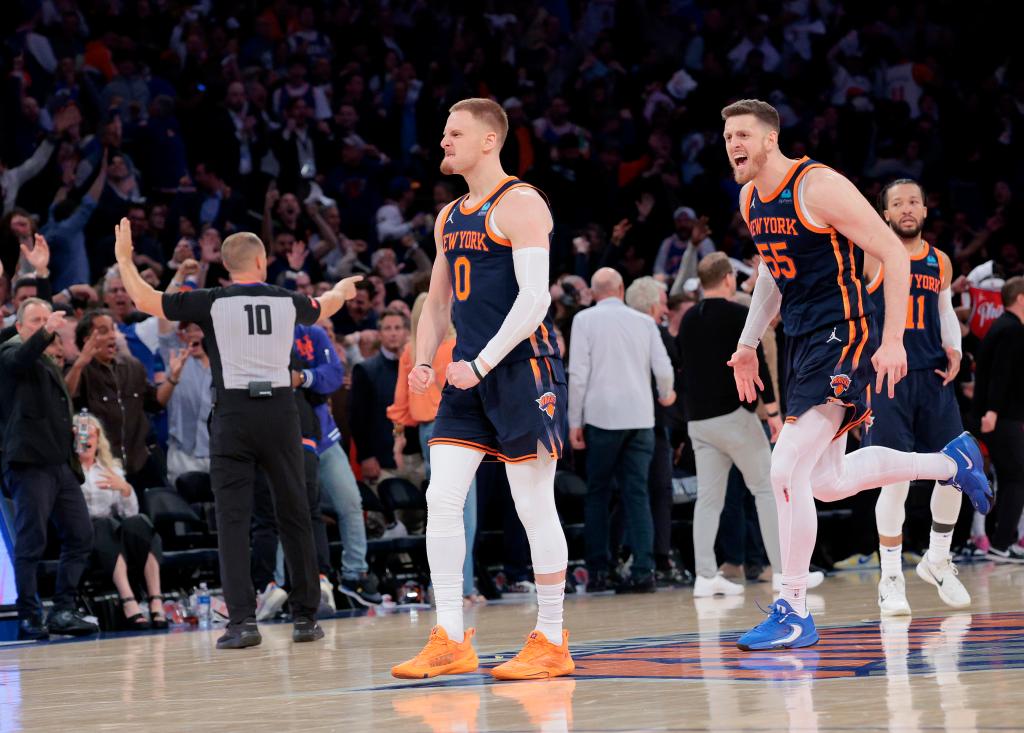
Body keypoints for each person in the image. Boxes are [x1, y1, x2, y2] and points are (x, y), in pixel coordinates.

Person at [722, 99, 991, 651]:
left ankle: (793, 607)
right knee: (825, 482)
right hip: (801, 340)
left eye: (742, 135)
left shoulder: (816, 185)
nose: (733, 146)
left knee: (784, 466)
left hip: (846, 332)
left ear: (770, 139)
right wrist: (749, 343)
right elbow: (773, 271)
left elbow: (892, 252)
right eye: (727, 138)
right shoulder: (751, 198)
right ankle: (951, 461)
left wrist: (892, 339)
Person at [109, 217, 361, 649]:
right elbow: (328, 304)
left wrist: (124, 259)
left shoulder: (210, 301)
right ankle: (306, 618)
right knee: (295, 513)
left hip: (234, 416)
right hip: (281, 414)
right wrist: (344, 289)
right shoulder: (287, 300)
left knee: (233, 520)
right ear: (262, 262)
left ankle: (242, 623)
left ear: (226, 267)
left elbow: (146, 300)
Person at [391, 98, 573, 681]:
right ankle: (449, 635)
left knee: (531, 504)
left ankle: (550, 638)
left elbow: (535, 299)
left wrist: (485, 360)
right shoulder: (449, 216)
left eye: (455, 133)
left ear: (489, 141)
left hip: (522, 370)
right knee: (440, 500)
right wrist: (424, 360)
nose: (443, 142)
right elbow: (437, 301)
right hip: (468, 375)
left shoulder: (519, 202)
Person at [862, 179, 971, 615]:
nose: (906, 209)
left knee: (957, 471)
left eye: (913, 202)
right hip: (887, 378)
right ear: (885, 214)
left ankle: (938, 558)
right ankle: (891, 576)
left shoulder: (939, 261)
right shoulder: (871, 256)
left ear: (925, 210)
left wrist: (957, 349)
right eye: (897, 204)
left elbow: (945, 312)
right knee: (895, 478)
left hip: (932, 377)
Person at [677, 253, 814, 597]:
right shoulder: (740, 315)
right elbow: (757, 365)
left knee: (708, 500)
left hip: (699, 422)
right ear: (727, 279)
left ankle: (706, 577)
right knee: (767, 491)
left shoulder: (688, 319)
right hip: (735, 418)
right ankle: (786, 572)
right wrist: (771, 412)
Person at [569, 268, 676, 593]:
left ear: (594, 290)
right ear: (621, 288)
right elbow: (663, 368)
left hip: (601, 417)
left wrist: (575, 421)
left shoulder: (583, 321)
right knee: (637, 493)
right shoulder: (644, 322)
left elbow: (578, 374)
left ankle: (599, 570)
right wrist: (665, 393)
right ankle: (643, 571)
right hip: (641, 417)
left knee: (598, 494)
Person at [0, 298, 97, 640]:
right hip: (29, 464)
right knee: (31, 540)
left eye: (47, 318)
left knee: (81, 535)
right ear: (19, 326)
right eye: (36, 320)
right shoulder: (10, 353)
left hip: (60, 464)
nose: (45, 325)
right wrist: (44, 331)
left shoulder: (45, 361)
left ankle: (63, 610)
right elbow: (20, 359)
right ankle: (29, 616)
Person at [388, 293, 483, 604]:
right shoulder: (459, 346)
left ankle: (445, 587)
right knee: (464, 513)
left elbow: (400, 404)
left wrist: (398, 438)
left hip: (430, 433)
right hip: (462, 427)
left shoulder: (411, 352)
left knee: (443, 512)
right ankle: (463, 589)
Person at [75, 412, 167, 630]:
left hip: (113, 532)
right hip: (84, 533)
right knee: (103, 525)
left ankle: (156, 599)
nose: (86, 439)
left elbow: (130, 513)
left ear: (98, 439)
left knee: (141, 522)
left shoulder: (111, 469)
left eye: (91, 434)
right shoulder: (67, 471)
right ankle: (129, 600)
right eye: (81, 434)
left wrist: (125, 489)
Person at [974, 276, 1024, 562]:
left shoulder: (1003, 326)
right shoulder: (1012, 329)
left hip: (1000, 416)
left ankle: (1001, 543)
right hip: (1002, 418)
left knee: (1009, 478)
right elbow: (999, 375)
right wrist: (992, 412)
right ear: (1020, 298)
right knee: (1016, 477)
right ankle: (1001, 544)